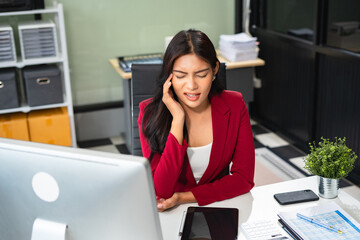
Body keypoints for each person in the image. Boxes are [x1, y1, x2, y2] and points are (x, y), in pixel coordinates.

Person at [137, 29, 255, 212]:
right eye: (181, 75)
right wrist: (177, 120)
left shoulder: (235, 105)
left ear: (215, 70)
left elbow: (243, 179)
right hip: (169, 214)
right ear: (169, 75)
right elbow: (160, 190)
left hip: (219, 208)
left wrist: (183, 197)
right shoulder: (150, 113)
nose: (191, 86)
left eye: (201, 74)